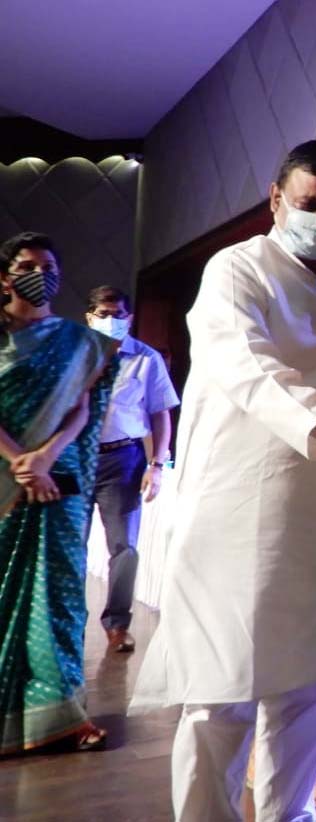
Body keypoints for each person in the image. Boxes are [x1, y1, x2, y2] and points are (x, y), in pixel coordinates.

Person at [129, 140, 316, 822]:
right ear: (276, 201)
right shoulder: (235, 269)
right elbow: (243, 363)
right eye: (309, 205)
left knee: (310, 689)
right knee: (223, 694)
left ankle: (288, 816)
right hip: (241, 512)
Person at [0, 232, 117, 754]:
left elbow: (83, 409)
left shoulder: (80, 342)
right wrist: (20, 462)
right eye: (27, 266)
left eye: (48, 266)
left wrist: (46, 456)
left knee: (63, 593)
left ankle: (64, 714)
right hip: (5, 480)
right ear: (5, 277)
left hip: (60, 474)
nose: (39, 275)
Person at [85, 285, 179, 654]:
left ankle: (117, 624)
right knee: (69, 545)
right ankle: (67, 622)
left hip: (122, 458)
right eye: (104, 314)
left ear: (130, 317)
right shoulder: (74, 353)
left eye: (118, 314)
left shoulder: (146, 358)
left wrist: (157, 465)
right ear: (89, 317)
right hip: (75, 457)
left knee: (124, 546)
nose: (111, 321)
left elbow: (160, 413)